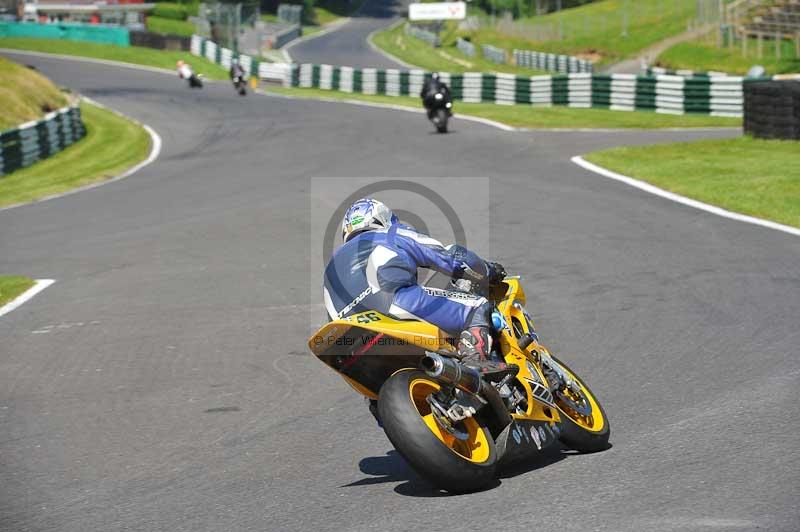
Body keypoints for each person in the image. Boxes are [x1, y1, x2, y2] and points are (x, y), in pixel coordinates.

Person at [323, 198, 506, 372]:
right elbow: (449, 256)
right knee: (476, 307)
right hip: (394, 303)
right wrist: (487, 270)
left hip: (345, 335)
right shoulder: (390, 233)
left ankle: (377, 403)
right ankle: (475, 359)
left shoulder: (331, 266)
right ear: (384, 218)